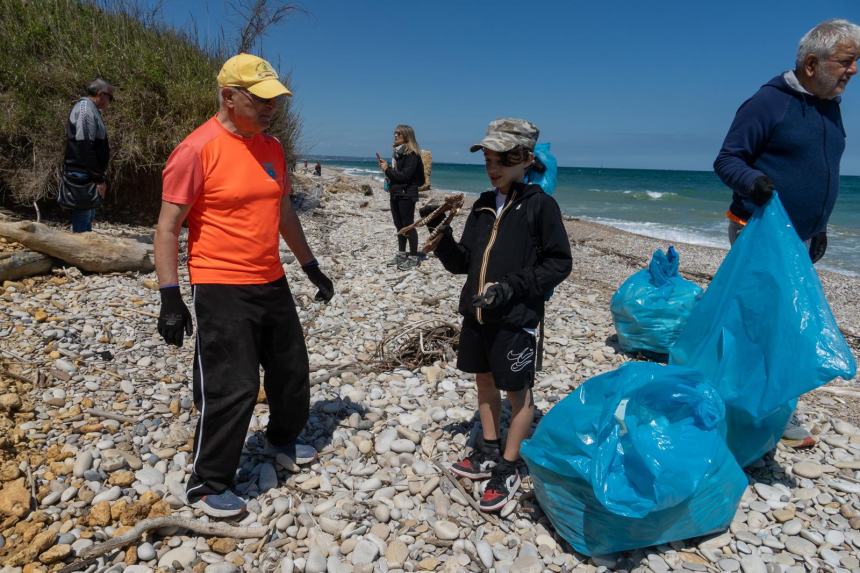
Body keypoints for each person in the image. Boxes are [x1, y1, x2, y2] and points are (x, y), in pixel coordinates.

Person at [154, 53, 334, 518]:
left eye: (275, 100)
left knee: (291, 370)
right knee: (231, 384)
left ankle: (280, 440)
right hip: (220, 283)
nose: (271, 108)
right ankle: (208, 482)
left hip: (270, 279)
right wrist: (170, 297)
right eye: (261, 99)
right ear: (229, 96)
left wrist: (310, 267)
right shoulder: (196, 150)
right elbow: (168, 227)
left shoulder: (271, 148)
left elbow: (283, 213)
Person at [714, 19, 860, 448]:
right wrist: (753, 183)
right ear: (812, 64)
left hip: (799, 240)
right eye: (847, 62)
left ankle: (769, 409)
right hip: (760, 235)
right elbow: (727, 160)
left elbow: (818, 170)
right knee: (768, 327)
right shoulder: (767, 103)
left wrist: (820, 226)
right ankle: (755, 415)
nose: (853, 71)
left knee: (782, 326)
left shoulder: (828, 104)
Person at [432, 118, 572, 511]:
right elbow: (464, 263)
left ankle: (508, 466)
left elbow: (559, 262)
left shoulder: (540, 206)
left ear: (526, 159)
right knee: (484, 381)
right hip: (478, 315)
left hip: (515, 318)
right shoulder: (480, 205)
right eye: (489, 159)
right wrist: (441, 239)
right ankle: (488, 449)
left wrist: (511, 286)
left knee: (517, 391)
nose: (493, 168)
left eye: (503, 159)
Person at [61, 79, 113, 232]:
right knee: (83, 218)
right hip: (82, 173)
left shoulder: (91, 109)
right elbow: (84, 145)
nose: (110, 102)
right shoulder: (85, 109)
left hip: (87, 172)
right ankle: (79, 253)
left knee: (88, 214)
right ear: (100, 94)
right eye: (110, 97)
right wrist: (97, 177)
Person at [376, 124, 425, 269]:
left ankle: (414, 256)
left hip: (406, 194)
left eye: (398, 134)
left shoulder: (412, 155)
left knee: (408, 226)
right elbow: (398, 176)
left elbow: (404, 176)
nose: (395, 136)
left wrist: (387, 170)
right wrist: (388, 170)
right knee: (399, 225)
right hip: (396, 193)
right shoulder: (398, 154)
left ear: (407, 136)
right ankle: (401, 254)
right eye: (395, 133)